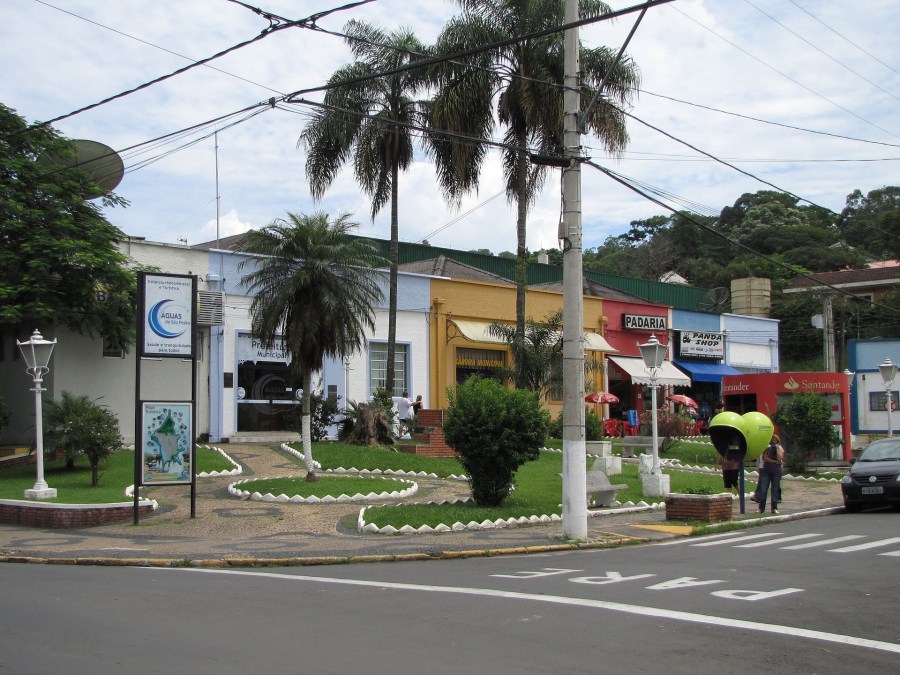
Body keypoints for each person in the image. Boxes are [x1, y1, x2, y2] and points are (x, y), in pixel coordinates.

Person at [755, 434, 785, 514]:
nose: (773, 442)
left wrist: (777, 448)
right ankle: (761, 508)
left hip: (776, 472)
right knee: (763, 490)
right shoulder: (767, 448)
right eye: (772, 440)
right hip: (766, 471)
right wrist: (774, 461)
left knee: (774, 490)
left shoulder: (780, 448)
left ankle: (774, 508)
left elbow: (779, 459)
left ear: (778, 441)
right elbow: (765, 458)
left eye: (775, 440)